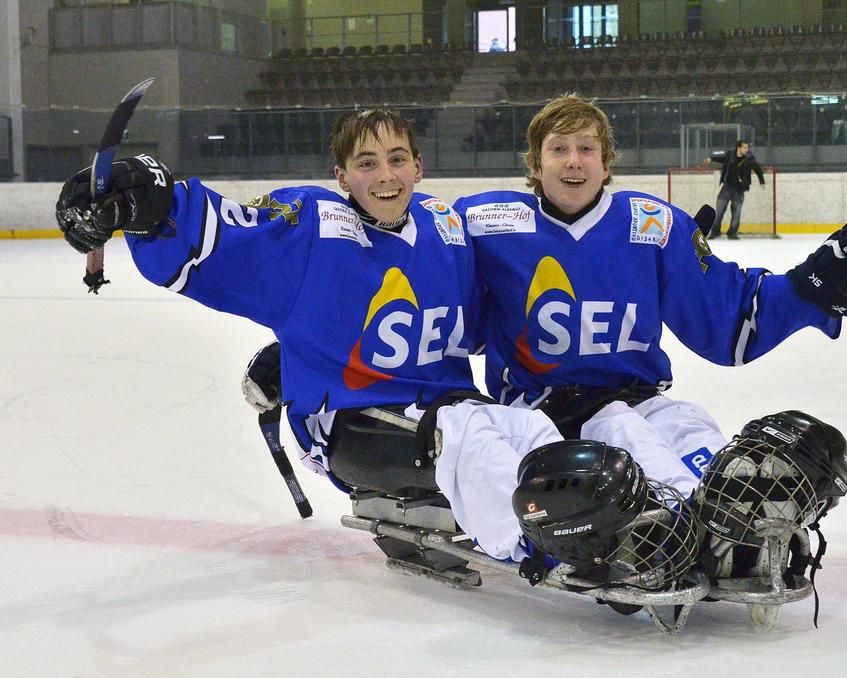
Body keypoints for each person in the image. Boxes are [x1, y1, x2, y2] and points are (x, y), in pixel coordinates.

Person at [54, 109, 579, 564]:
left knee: (528, 428)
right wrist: (150, 208)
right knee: (471, 435)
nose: (385, 175)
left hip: (440, 407)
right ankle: (542, 543)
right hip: (351, 424)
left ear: (419, 167)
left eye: (398, 159)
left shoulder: (447, 227)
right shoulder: (313, 227)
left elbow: (501, 298)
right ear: (342, 177)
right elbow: (226, 233)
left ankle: (584, 520)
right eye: (366, 163)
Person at [451, 94, 847, 575]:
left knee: (690, 427)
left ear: (607, 163)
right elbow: (425, 274)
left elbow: (728, 316)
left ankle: (740, 519)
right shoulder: (485, 223)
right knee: (624, 433)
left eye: (587, 149)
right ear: (535, 164)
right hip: (543, 409)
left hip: (639, 397)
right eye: (559, 149)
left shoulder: (654, 227)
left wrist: (821, 275)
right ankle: (695, 537)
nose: (574, 161)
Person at [702, 139, 765, 239]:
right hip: (726, 187)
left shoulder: (749, 158)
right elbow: (720, 157)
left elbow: (757, 168)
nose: (746, 149)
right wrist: (711, 158)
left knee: (736, 214)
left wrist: (762, 180)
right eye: (744, 147)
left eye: (747, 148)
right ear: (739, 148)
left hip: (739, 190)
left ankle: (732, 233)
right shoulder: (730, 155)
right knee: (719, 212)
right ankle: (715, 232)